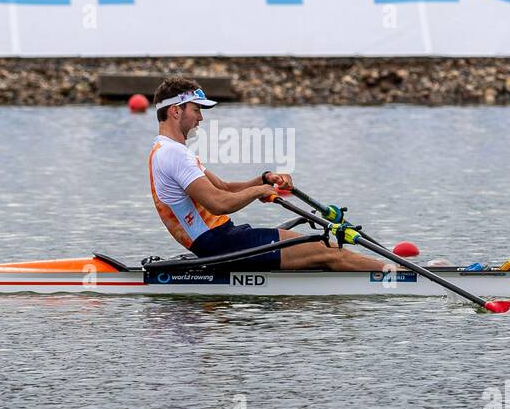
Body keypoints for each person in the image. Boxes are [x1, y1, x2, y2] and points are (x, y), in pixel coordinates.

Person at [147, 77, 385, 271]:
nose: (201, 117)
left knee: (320, 249)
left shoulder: (170, 151)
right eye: (197, 109)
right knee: (328, 251)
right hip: (220, 244)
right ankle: (398, 275)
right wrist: (259, 191)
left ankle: (381, 269)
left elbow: (224, 189)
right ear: (176, 111)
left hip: (223, 239)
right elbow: (219, 203)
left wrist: (263, 179)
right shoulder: (173, 154)